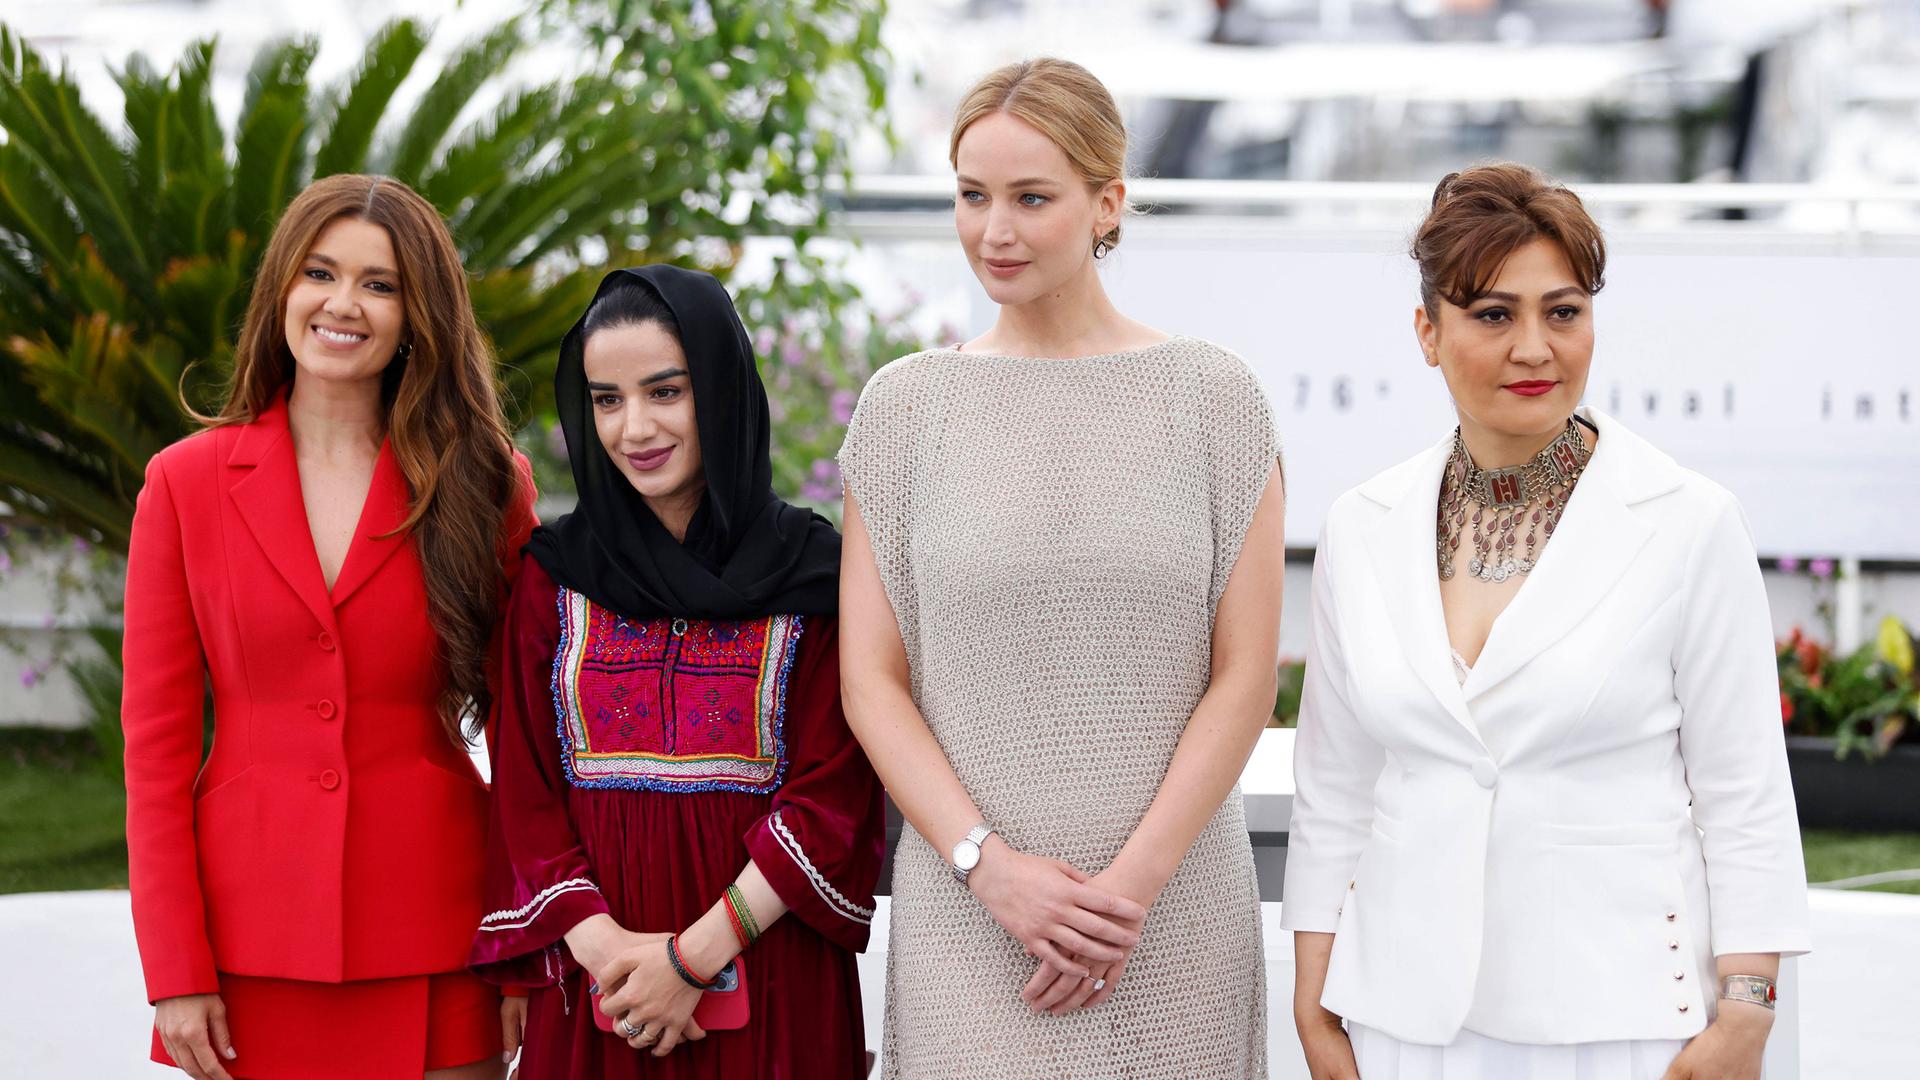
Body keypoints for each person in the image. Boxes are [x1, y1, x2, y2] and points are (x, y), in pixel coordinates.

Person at [1284, 162, 1811, 1080]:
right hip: (1404, 1019)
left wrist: (1749, 1011)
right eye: (1494, 315)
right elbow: (1336, 790)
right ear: (1427, 332)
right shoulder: (1362, 526)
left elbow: (1746, 794)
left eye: (1562, 312)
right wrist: (1315, 992)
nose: (1535, 347)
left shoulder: (1688, 522)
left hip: (1626, 1021)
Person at [837, 58, 1286, 1079]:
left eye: (1031, 198)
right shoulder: (904, 411)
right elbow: (872, 683)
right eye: (972, 196)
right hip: (970, 927)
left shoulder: (1216, 402)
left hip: (1172, 921)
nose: (995, 231)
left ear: (1107, 203)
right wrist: (987, 871)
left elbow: (1246, 674)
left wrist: (1127, 892)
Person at [123, 173, 537, 1080]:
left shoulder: (486, 483)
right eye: (320, 272)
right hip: (244, 948)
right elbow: (153, 754)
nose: (343, 304)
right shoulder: (183, 486)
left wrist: (524, 947)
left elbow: (524, 737)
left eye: (379, 285)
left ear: (417, 313)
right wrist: (173, 970)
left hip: (444, 932)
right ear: (282, 288)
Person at [468, 266, 882, 1078]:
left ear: (722, 390)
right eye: (607, 399)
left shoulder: (818, 579)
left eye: (666, 392)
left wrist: (693, 963)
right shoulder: (552, 578)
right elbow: (524, 792)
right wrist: (615, 961)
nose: (634, 428)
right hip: (601, 989)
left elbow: (832, 795)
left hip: (769, 976)